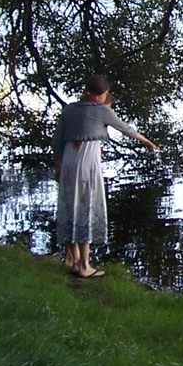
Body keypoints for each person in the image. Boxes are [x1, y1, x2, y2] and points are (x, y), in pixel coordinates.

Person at [53, 74, 158, 278]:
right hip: (86, 161)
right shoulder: (101, 110)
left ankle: (72, 259)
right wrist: (148, 143)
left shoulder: (70, 109)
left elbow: (57, 139)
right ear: (102, 94)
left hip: (68, 159)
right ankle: (84, 265)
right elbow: (127, 130)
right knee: (86, 205)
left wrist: (58, 166)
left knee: (69, 204)